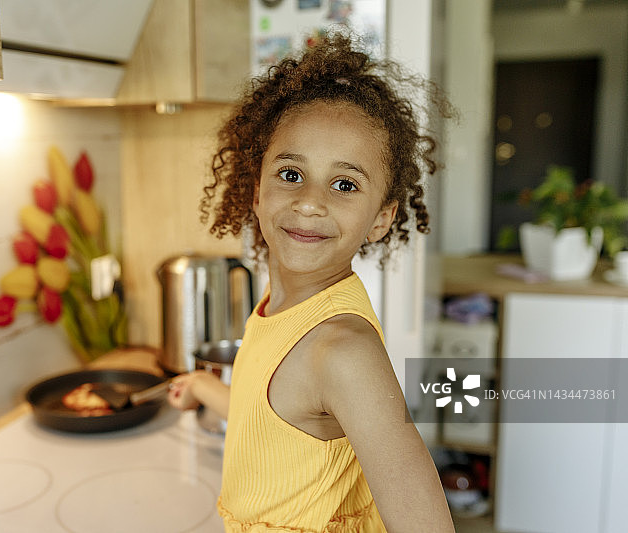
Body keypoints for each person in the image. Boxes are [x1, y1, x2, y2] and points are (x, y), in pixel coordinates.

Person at [168, 32, 456, 533]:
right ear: (255, 191)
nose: (309, 201)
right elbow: (268, 414)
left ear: (382, 219)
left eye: (344, 184)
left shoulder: (343, 350)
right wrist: (201, 387)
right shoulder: (282, 307)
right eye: (291, 174)